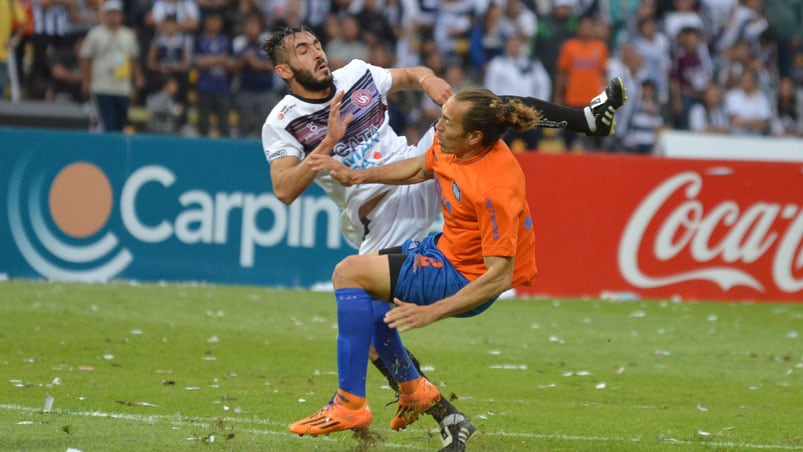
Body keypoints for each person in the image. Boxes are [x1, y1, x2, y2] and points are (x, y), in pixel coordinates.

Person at [259, 25, 625, 450]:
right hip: (379, 212)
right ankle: (443, 414)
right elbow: (284, 190)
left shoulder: (357, 73)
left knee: (480, 107)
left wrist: (430, 80)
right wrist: (327, 143)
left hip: (417, 167)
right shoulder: (282, 121)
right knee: (376, 330)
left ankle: (583, 119)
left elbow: (413, 75)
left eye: (317, 44)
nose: (317, 54)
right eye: (303, 51)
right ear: (285, 69)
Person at [292, 87, 539, 444]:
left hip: (463, 279)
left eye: (447, 122)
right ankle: (426, 399)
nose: (436, 127)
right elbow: (420, 168)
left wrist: (433, 312)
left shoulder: (496, 187)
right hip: (441, 252)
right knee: (374, 313)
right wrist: (357, 176)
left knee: (348, 273)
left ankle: (349, 402)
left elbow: (499, 276)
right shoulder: (455, 145)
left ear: (474, 136)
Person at [79, 0, 144, 132]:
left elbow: (133, 59)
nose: (113, 17)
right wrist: (86, 81)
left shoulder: (128, 35)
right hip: (101, 87)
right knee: (107, 123)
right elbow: (85, 58)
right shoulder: (95, 34)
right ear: (105, 15)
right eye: (110, 13)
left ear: (121, 16)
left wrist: (138, 76)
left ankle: (116, 151)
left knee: (120, 123)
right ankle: (107, 151)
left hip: (122, 87)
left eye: (116, 13)